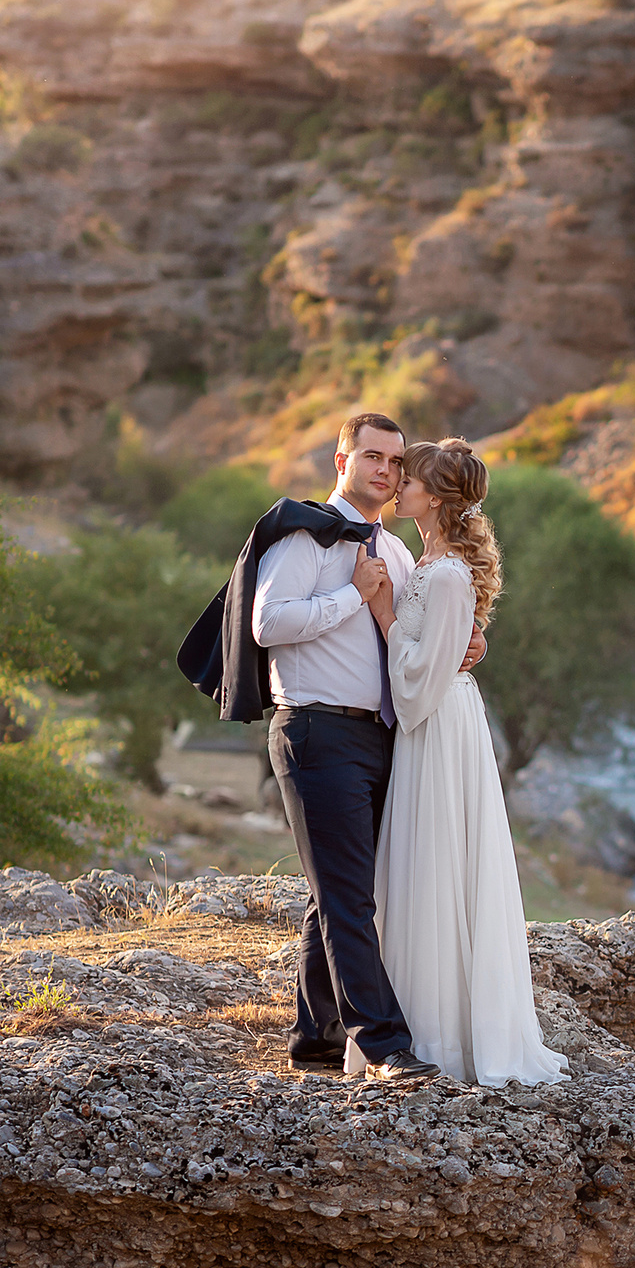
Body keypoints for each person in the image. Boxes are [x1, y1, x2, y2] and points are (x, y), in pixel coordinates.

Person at [367, 438, 570, 1087]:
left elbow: (423, 676)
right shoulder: (430, 561)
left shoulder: (449, 572)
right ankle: (420, 1021)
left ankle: (445, 1038)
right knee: (427, 865)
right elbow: (444, 643)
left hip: (439, 722)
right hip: (435, 719)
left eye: (410, 476)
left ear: (437, 495)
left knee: (439, 863)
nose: (398, 483)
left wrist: (380, 610)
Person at [246, 412, 440, 1085]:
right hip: (315, 731)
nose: (384, 470)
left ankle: (317, 1042)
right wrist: (347, 598)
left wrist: (466, 646)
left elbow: (414, 639)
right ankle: (384, 1044)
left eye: (394, 460)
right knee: (350, 900)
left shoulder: (401, 553)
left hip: (380, 736)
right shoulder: (305, 535)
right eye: (371, 456)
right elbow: (267, 623)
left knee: (333, 894)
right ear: (342, 461)